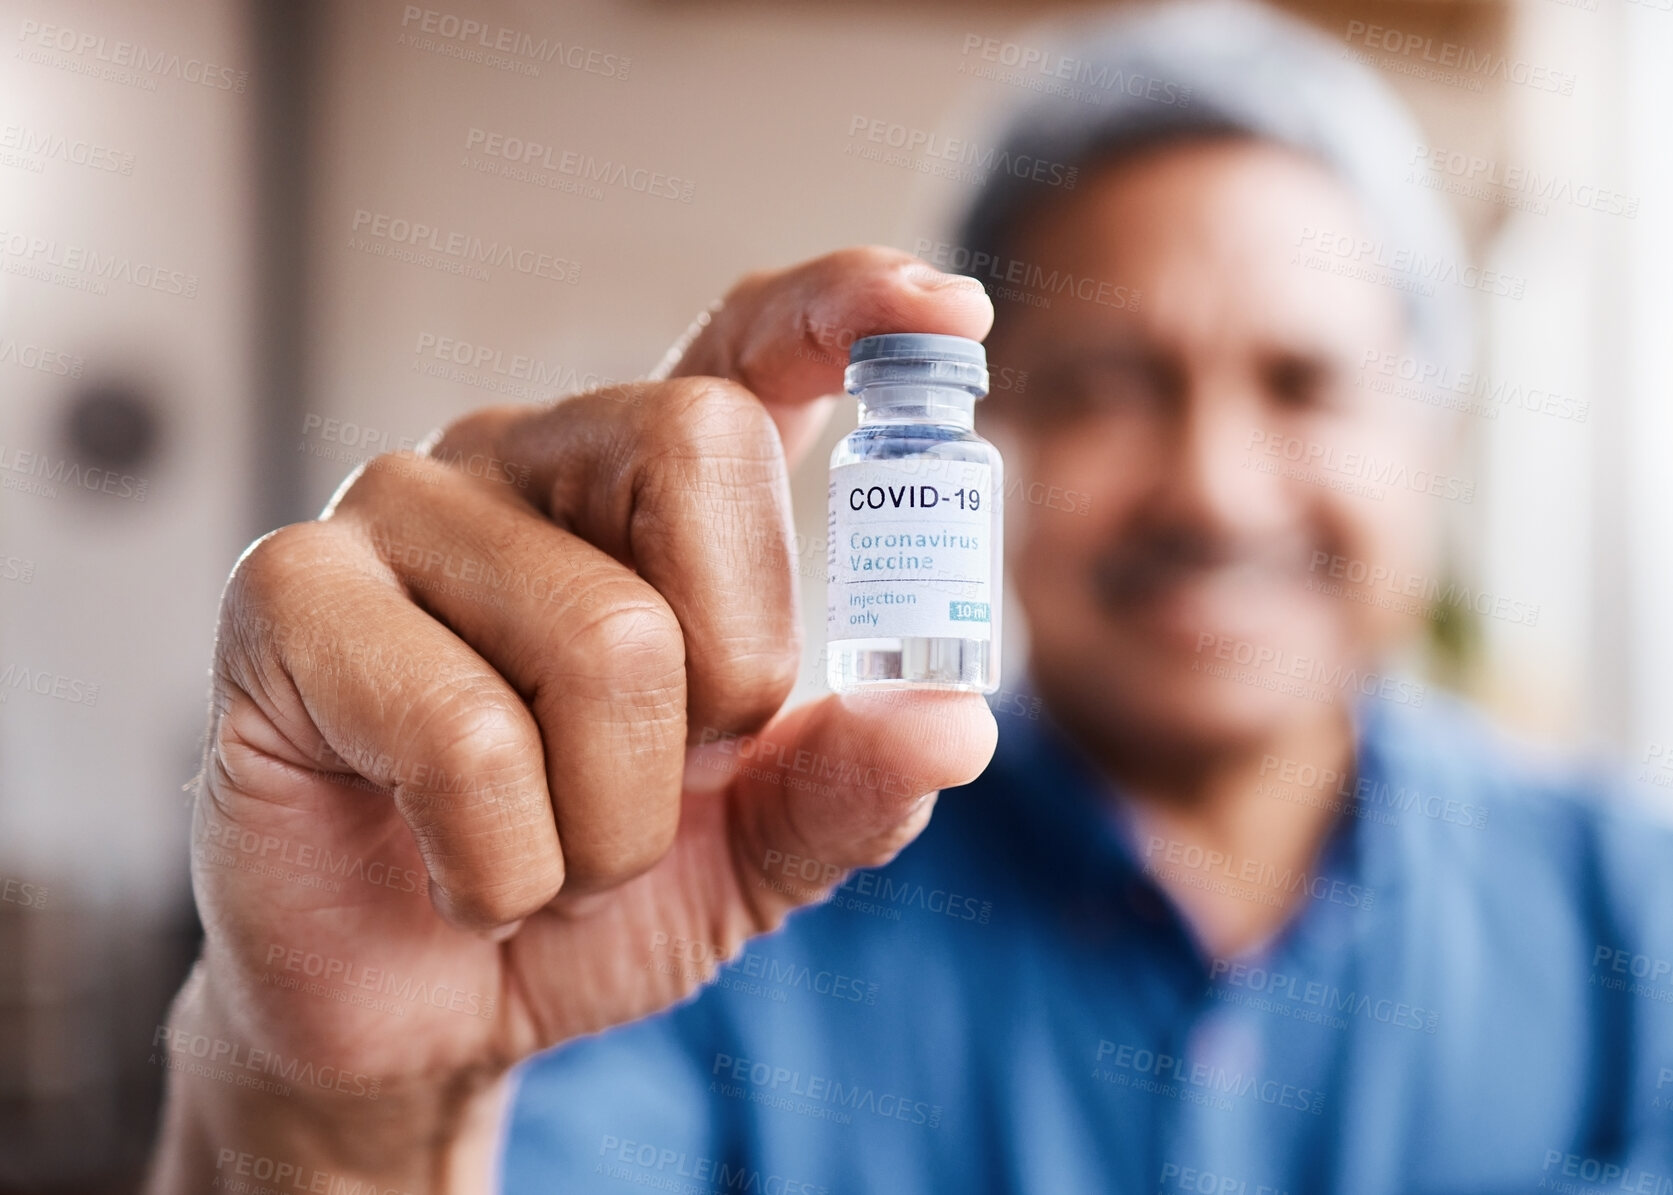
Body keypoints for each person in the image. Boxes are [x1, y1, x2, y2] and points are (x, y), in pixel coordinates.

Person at [146, 2, 1673, 1191]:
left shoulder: (1634, 914)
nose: (1213, 488)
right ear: (983, 438)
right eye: (1102, 386)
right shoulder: (698, 924)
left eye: (1301, 382)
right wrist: (356, 1122)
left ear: (1434, 436)